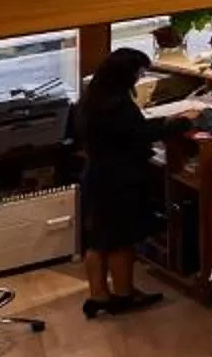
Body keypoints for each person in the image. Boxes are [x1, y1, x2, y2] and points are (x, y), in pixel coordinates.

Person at [75, 48, 176, 317]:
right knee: (121, 240)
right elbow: (140, 135)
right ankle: (123, 295)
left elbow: (128, 130)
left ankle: (98, 295)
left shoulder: (93, 98)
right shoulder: (117, 105)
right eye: (138, 73)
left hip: (95, 175)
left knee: (97, 239)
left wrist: (162, 120)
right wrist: (180, 125)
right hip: (118, 180)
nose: (139, 78)